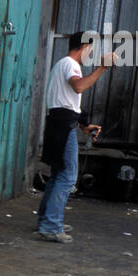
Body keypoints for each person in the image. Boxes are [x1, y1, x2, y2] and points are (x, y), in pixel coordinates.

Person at [35, 31, 115, 242]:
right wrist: (102, 68)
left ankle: (47, 220)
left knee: (58, 174)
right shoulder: (70, 64)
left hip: (58, 123)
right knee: (68, 176)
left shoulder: (62, 64)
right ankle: (51, 226)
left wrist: (83, 126)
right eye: (91, 49)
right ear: (84, 47)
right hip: (62, 126)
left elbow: (65, 102)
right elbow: (78, 86)